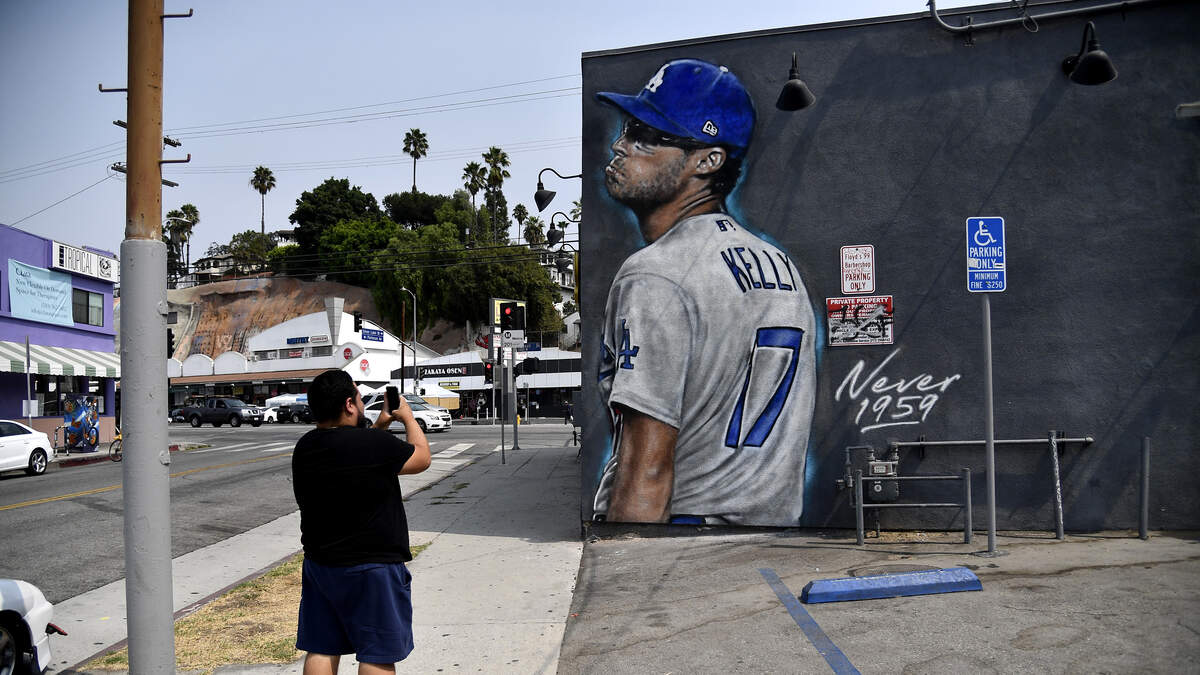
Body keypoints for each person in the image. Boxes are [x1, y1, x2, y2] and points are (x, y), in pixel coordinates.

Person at [591, 58, 817, 526]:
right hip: (768, 546)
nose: (620, 145)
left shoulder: (654, 275)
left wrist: (625, 575)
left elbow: (647, 470)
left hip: (678, 541)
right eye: (627, 128)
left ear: (708, 160)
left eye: (646, 136)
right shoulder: (781, 268)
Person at [291, 370, 432, 674]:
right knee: (376, 653)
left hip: (321, 564)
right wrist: (407, 417)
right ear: (349, 405)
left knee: (322, 647)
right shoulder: (371, 445)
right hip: (373, 567)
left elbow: (358, 452)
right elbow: (421, 458)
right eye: (358, 396)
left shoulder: (306, 447)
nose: (361, 402)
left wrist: (380, 424)